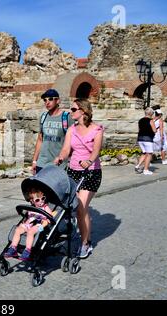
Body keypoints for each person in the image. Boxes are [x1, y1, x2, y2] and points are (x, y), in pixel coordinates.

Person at [53, 99, 103, 259]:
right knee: (70, 206)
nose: (70, 112)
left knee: (81, 207)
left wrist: (89, 161)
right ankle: (74, 230)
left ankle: (85, 244)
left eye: (73, 109)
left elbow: (96, 150)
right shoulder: (71, 130)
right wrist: (61, 157)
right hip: (73, 171)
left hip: (91, 172)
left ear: (83, 111)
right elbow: (66, 149)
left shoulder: (97, 129)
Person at [4, 187, 57, 261]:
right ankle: (13, 248)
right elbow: (28, 218)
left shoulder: (45, 207)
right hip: (29, 224)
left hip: (39, 224)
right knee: (18, 230)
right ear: (32, 201)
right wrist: (24, 224)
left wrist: (43, 225)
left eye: (43, 198)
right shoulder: (31, 208)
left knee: (30, 232)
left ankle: (27, 250)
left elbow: (49, 218)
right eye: (37, 200)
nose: (41, 201)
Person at [31, 89, 74, 174]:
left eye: (50, 99)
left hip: (59, 164)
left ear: (57, 100)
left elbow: (72, 142)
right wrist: (34, 161)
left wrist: (69, 160)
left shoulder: (67, 117)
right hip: (42, 163)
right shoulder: (43, 117)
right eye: (45, 100)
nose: (47, 102)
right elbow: (40, 140)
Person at [135, 107, 157, 175]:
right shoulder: (151, 121)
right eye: (152, 113)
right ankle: (146, 170)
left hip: (140, 138)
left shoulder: (140, 120)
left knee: (144, 153)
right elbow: (154, 130)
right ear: (150, 113)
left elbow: (139, 129)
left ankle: (138, 165)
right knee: (149, 154)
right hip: (148, 139)